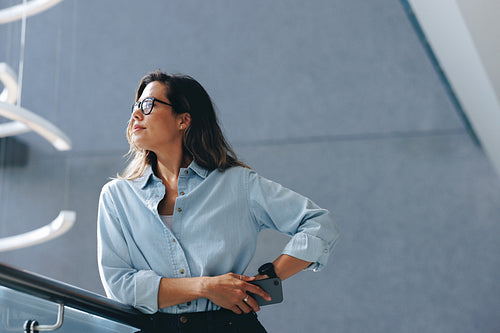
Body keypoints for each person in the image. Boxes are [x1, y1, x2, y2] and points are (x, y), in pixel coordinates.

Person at [97, 70, 339, 332]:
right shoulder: (116, 196)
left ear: (183, 120)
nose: (136, 114)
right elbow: (119, 286)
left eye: (149, 105)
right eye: (136, 105)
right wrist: (207, 287)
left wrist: (269, 278)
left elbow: (319, 224)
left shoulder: (237, 183)